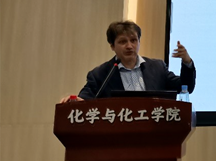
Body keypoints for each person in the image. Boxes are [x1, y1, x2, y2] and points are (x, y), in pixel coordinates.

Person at [59, 21, 195, 103]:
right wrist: (75, 101)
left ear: (139, 42)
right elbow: (85, 100)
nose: (129, 46)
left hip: (153, 133)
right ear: (112, 46)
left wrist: (187, 62)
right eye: (123, 41)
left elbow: (185, 88)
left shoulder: (157, 67)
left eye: (133, 40)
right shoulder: (101, 74)